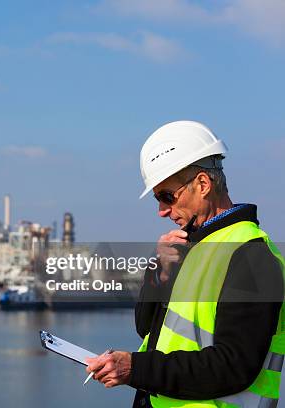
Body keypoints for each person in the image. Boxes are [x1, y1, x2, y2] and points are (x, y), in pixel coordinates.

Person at [84, 120, 285, 407]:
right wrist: (159, 274)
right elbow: (147, 330)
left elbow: (234, 366)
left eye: (167, 197)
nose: (162, 211)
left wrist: (135, 369)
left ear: (203, 184)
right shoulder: (193, 247)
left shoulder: (251, 257)